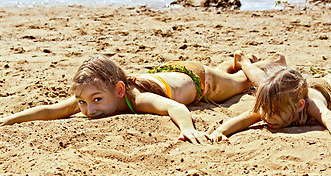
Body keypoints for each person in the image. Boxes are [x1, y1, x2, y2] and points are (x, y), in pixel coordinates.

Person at [0, 54, 277, 145]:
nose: (88, 109)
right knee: (233, 76)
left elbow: (174, 105)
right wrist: (10, 119)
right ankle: (229, 63)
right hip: (169, 71)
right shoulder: (94, 98)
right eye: (83, 102)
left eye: (95, 100)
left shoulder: (137, 99)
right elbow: (50, 111)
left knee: (242, 82)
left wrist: (187, 128)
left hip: (200, 80)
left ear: (119, 91)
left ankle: (264, 61)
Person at [210, 51, 331, 144]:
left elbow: (328, 116)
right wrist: (220, 131)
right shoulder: (270, 108)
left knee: (329, 85)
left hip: (320, 88)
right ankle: (244, 62)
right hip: (288, 91)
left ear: (300, 106)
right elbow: (244, 119)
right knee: (262, 82)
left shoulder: (312, 105)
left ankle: (329, 79)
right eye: (264, 110)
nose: (267, 117)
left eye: (275, 113)